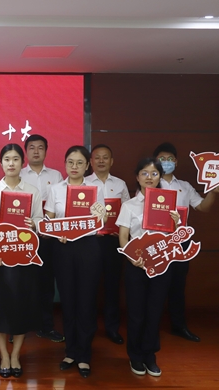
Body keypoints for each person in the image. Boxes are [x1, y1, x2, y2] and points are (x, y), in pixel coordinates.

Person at [0, 143, 43, 378]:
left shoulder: (33, 191)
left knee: (20, 308)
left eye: (16, 159)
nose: (11, 163)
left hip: (23, 259)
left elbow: (39, 221)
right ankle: (4, 355)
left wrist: (33, 224)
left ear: (22, 163)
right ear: (1, 163)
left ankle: (16, 354)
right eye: (7, 159)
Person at [153, 142, 219, 342]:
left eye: (170, 159)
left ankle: (178, 325)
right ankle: (151, 327)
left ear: (176, 162)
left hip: (181, 242)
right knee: (156, 286)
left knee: (178, 285)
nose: (166, 162)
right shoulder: (150, 183)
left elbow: (202, 207)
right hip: (157, 242)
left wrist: (213, 192)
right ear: (155, 161)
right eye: (162, 159)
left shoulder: (184, 186)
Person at [44, 145, 105, 378]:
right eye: (70, 162)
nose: (74, 166)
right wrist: (53, 230)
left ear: (87, 165)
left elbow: (100, 221)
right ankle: (70, 352)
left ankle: (84, 355)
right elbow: (49, 220)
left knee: (86, 301)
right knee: (68, 301)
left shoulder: (95, 189)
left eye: (80, 162)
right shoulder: (56, 189)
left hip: (88, 248)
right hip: (63, 248)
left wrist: (101, 215)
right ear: (65, 164)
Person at [116, 157, 180, 377]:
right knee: (136, 313)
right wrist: (131, 256)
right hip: (137, 265)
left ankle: (150, 355)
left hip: (162, 264)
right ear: (137, 177)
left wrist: (177, 223)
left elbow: (174, 239)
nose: (149, 177)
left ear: (160, 176)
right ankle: (135, 355)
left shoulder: (169, 203)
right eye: (144, 173)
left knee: (154, 312)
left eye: (154, 173)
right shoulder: (129, 205)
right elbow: (123, 237)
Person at [20, 134, 65, 343]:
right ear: (26, 151)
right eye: (32, 147)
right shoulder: (19, 174)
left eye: (40, 147)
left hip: (48, 239)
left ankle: (46, 326)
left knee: (46, 284)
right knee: (22, 283)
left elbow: (60, 207)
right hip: (23, 239)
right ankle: (19, 327)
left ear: (46, 151)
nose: (36, 151)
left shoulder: (56, 176)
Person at [87, 144, 130, 345]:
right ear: (91, 162)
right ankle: (89, 327)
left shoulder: (120, 184)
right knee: (89, 285)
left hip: (113, 241)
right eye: (97, 157)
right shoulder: (84, 184)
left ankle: (112, 328)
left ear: (111, 161)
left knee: (112, 286)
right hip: (91, 241)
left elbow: (127, 211)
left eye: (105, 157)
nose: (101, 161)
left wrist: (122, 232)